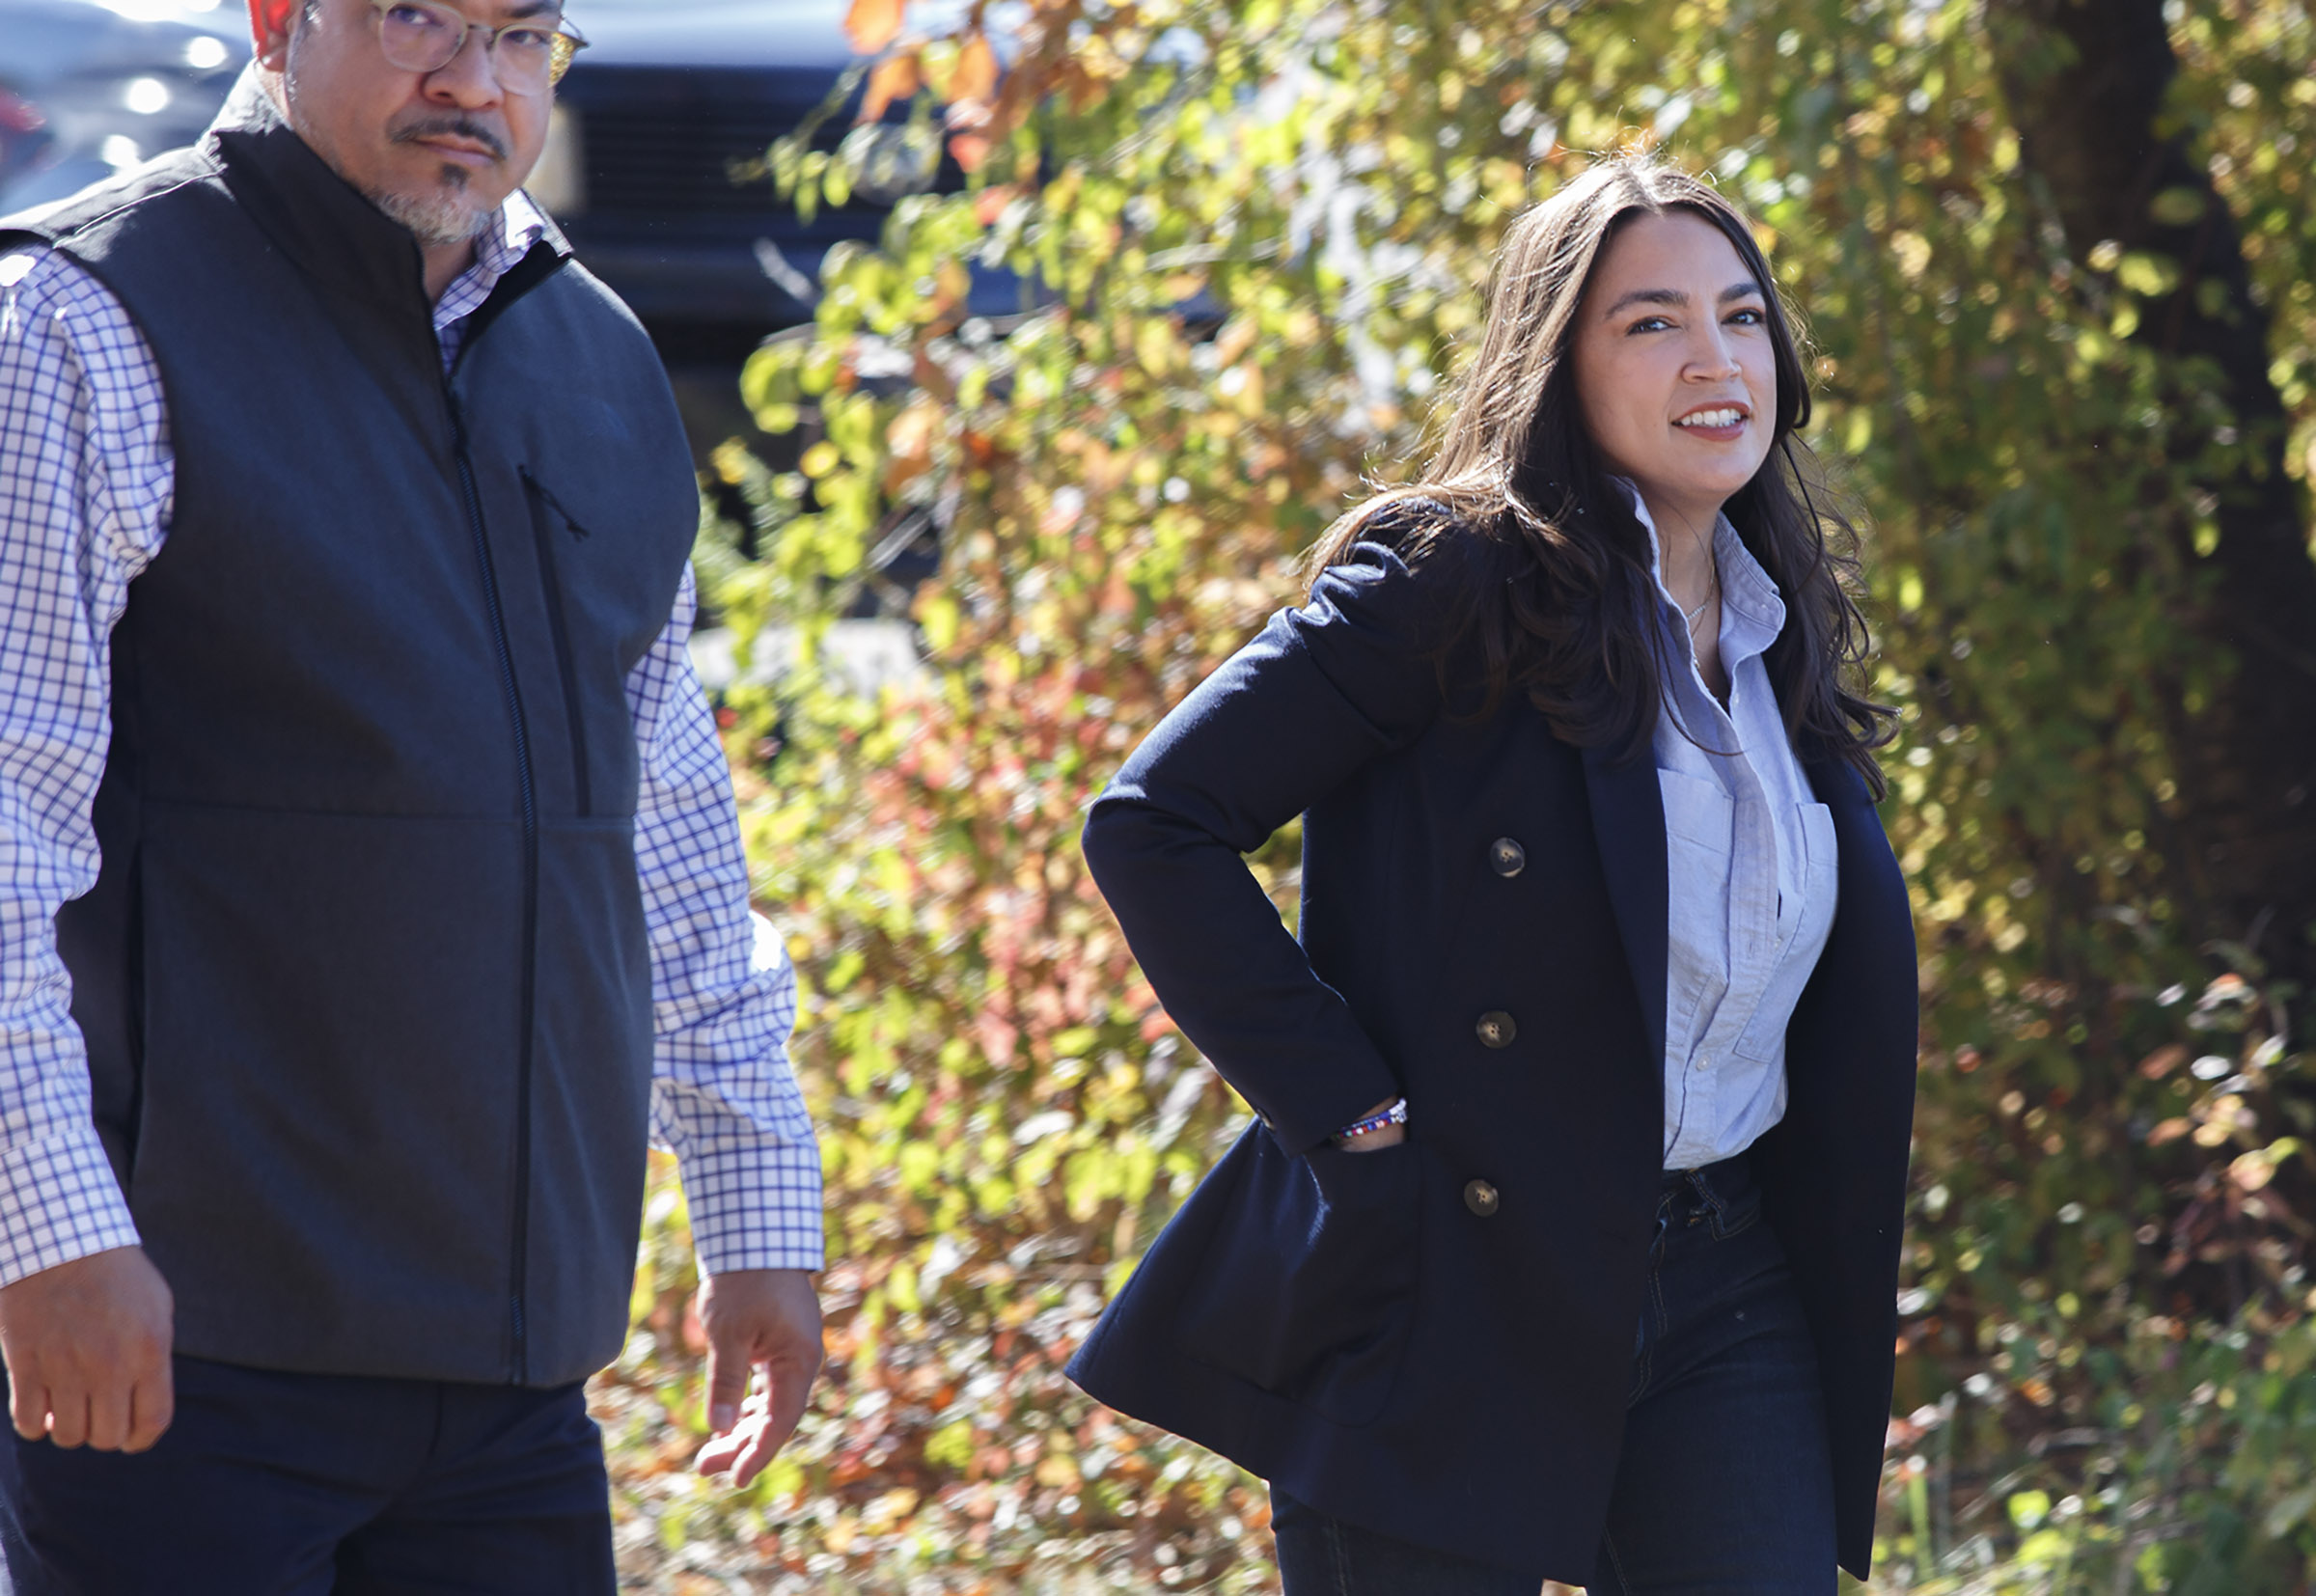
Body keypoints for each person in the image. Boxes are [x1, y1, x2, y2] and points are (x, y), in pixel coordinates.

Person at [0, 1, 826, 1588]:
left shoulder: (596, 355)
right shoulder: (82, 320)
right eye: (417, 19)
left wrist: (755, 1200)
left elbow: (667, 822)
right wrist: (52, 1239)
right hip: (176, 1354)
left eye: (522, 35)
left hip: (513, 1382)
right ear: (276, 24)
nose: (473, 81)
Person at [1067, 154, 1919, 1594]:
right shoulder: (1452, 580)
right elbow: (1155, 820)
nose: (1716, 361)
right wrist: (1349, 1109)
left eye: (1743, 317)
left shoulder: (1784, 628)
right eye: (1651, 323)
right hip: (1454, 1283)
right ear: (1559, 365)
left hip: (1721, 1279)